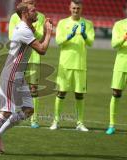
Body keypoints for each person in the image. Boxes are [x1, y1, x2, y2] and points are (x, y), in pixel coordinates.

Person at [0, 2, 53, 156]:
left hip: (19, 75)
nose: (36, 12)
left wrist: (42, 32)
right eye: (33, 10)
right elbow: (42, 50)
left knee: (29, 110)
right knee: (6, 111)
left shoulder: (26, 28)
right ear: (25, 13)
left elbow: (37, 42)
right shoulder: (24, 30)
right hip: (11, 74)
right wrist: (49, 32)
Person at [49, 0, 95, 131]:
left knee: (79, 94)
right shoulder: (63, 23)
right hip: (65, 64)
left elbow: (91, 42)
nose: (76, 10)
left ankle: (80, 123)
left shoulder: (88, 24)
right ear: (70, 8)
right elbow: (58, 41)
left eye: (78, 8)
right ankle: (55, 121)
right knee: (61, 92)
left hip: (80, 64)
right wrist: (70, 36)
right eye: (74, 8)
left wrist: (85, 35)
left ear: (82, 9)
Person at [9, 0, 45, 128]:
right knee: (7, 109)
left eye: (32, 2)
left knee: (34, 90)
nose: (31, 4)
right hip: (19, 59)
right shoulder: (15, 16)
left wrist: (38, 32)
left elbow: (38, 36)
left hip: (33, 56)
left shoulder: (39, 16)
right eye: (27, 2)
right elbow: (12, 36)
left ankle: (34, 120)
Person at [106, 19, 127, 135]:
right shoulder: (119, 25)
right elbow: (114, 44)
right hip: (121, 64)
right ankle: (112, 125)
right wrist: (124, 37)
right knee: (116, 93)